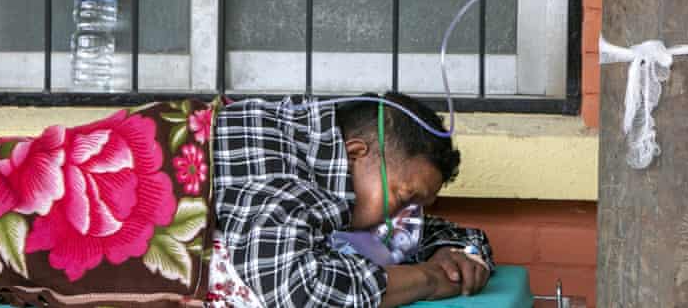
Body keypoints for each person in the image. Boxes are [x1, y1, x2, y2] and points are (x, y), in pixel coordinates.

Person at [210, 92, 495, 307]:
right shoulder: (274, 165)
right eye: (404, 198)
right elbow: (300, 290)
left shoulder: (320, 157)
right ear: (355, 153)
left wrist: (455, 252)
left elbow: (427, 233)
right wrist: (427, 280)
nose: (404, 219)